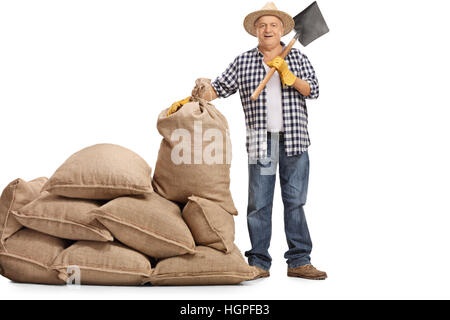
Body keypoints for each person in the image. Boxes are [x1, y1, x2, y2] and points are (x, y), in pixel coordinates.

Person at [171, 2, 327, 280]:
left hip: (295, 143)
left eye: (273, 25)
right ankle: (258, 262)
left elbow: (313, 89)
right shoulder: (244, 62)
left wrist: (289, 76)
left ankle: (299, 261)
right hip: (261, 144)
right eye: (262, 25)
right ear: (256, 31)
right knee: (260, 203)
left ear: (282, 30)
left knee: (295, 201)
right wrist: (199, 90)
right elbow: (217, 89)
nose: (268, 29)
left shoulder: (298, 58)